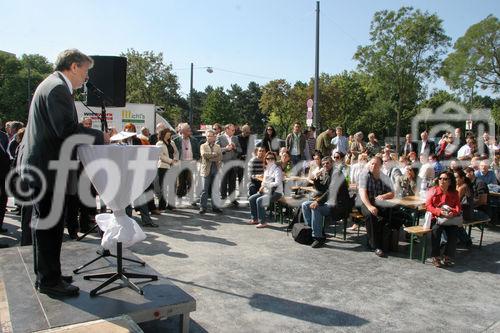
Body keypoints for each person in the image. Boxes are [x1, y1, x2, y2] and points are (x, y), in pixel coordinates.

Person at [21, 49, 107, 297]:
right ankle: (49, 281)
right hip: (47, 167)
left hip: (43, 165)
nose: (86, 77)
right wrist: (100, 136)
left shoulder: (51, 85)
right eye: (85, 71)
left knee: (45, 224)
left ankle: (49, 274)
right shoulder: (58, 88)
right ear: (73, 66)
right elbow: (66, 129)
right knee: (49, 225)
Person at [301, 157, 351, 248]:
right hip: (329, 202)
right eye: (323, 164)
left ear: (332, 163)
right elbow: (323, 189)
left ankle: (318, 238)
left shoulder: (336, 173)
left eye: (327, 163)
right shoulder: (328, 173)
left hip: (339, 205)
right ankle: (312, 230)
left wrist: (318, 202)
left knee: (316, 208)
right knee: (305, 205)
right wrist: (316, 179)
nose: (325, 165)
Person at [358, 157, 395, 257]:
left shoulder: (384, 177)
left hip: (378, 202)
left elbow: (392, 193)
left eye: (376, 164)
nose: (373, 166)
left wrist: (384, 196)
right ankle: (375, 246)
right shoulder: (364, 175)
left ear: (381, 166)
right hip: (365, 202)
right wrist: (370, 206)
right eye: (372, 163)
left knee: (391, 214)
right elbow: (362, 193)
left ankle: (386, 243)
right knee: (371, 215)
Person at [426, 171, 461, 268]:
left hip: (450, 219)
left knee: (454, 232)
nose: (442, 181)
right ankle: (435, 257)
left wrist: (452, 213)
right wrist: (439, 212)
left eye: (445, 179)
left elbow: (458, 207)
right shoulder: (433, 190)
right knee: (436, 231)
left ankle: (447, 257)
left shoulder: (454, 193)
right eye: (440, 178)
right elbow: (428, 206)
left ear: (450, 181)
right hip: (436, 218)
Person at [247, 152, 284, 228]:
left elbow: (277, 183)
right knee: (251, 198)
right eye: (268, 158)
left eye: (272, 158)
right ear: (265, 160)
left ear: (274, 159)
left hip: (276, 193)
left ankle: (263, 222)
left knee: (259, 200)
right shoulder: (267, 169)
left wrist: (265, 185)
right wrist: (262, 187)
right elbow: (264, 181)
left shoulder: (277, 169)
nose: (270, 160)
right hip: (266, 191)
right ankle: (255, 219)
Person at [173, 123, 200, 205]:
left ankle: (191, 199)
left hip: (191, 162)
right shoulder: (176, 140)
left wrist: (195, 160)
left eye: (189, 129)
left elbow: (197, 153)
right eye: (188, 130)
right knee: (180, 182)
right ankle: (179, 198)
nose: (190, 131)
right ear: (182, 131)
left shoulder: (194, 140)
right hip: (180, 163)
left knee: (190, 182)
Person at [216, 123, 242, 207]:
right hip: (224, 162)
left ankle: (232, 199)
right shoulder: (220, 138)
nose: (234, 131)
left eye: (234, 130)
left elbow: (240, 150)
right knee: (223, 181)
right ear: (227, 129)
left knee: (233, 182)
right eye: (232, 130)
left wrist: (234, 148)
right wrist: (226, 149)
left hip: (233, 163)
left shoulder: (235, 138)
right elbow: (216, 150)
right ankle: (223, 198)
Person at [199, 130, 223, 214]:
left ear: (214, 137)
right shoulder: (203, 145)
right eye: (207, 136)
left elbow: (220, 157)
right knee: (204, 190)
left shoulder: (218, 146)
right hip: (206, 169)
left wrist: (210, 156)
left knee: (215, 189)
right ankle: (203, 207)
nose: (209, 138)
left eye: (210, 136)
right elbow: (203, 155)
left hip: (215, 168)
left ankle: (215, 207)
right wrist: (213, 155)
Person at [156, 128, 178, 211]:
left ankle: (171, 205)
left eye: (170, 133)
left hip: (173, 166)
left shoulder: (172, 142)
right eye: (168, 132)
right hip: (163, 167)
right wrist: (171, 161)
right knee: (163, 187)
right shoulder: (159, 143)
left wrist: (175, 159)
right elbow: (160, 156)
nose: (169, 134)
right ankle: (162, 206)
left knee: (172, 186)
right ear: (163, 134)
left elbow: (176, 152)